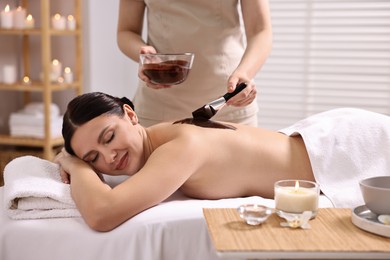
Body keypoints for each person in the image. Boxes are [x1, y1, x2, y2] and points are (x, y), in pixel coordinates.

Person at [55, 92, 390, 232]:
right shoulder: (161, 139)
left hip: (345, 149)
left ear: (130, 115)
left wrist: (76, 164)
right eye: (94, 158)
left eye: (109, 137)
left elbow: (102, 214)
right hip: (320, 141)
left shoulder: (178, 148)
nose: (109, 158)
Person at [116, 0, 273, 127]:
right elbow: (126, 31)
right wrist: (143, 54)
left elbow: (260, 30)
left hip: (227, 101)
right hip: (159, 107)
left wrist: (245, 73)